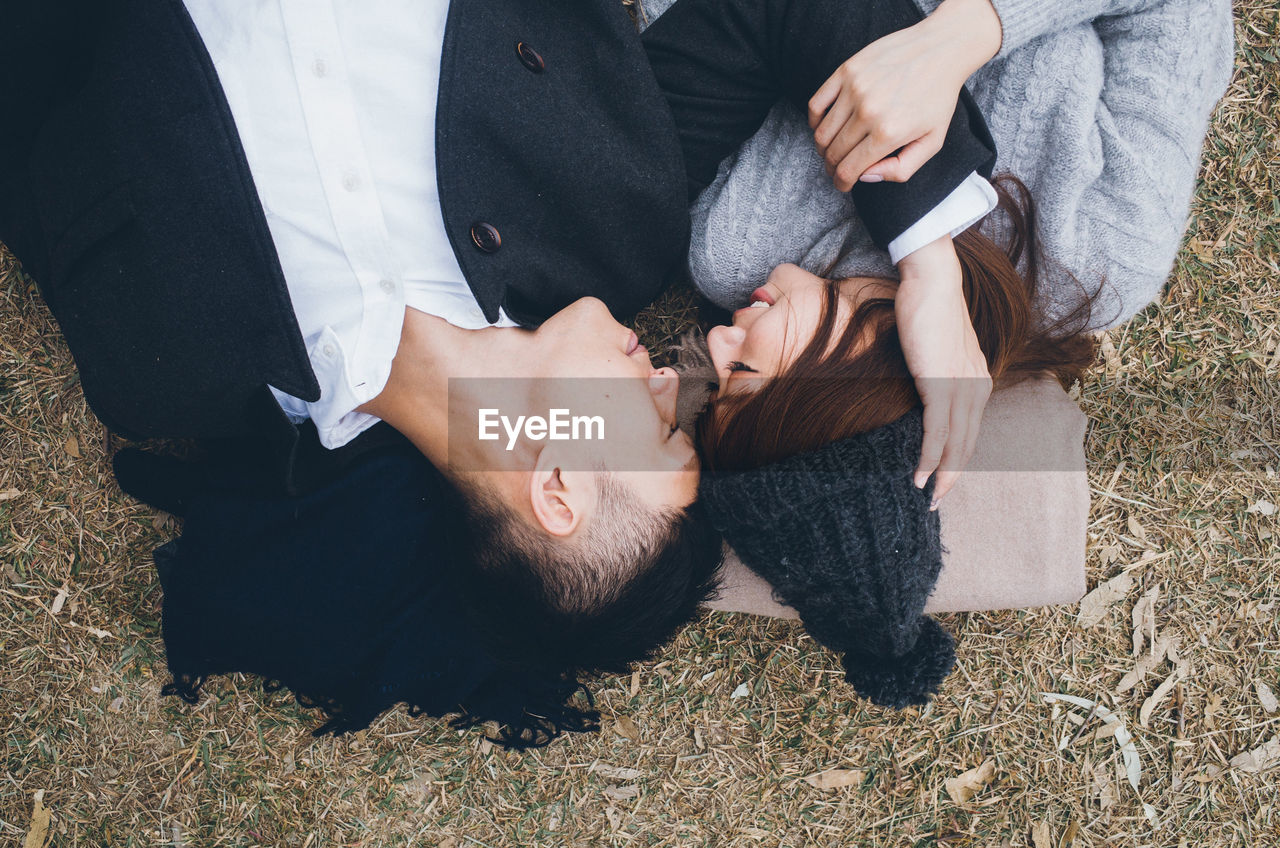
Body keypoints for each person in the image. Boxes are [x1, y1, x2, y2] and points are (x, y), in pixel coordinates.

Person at [0, 0, 998, 743]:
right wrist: (927, 258)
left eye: (655, 425)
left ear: (554, 481)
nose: (671, 372)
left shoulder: (163, 367)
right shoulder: (614, 218)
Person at [665, 0, 1233, 706]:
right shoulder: (1100, 255)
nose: (715, 340)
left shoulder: (739, 250)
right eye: (743, 373)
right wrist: (970, 31)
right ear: (853, 385)